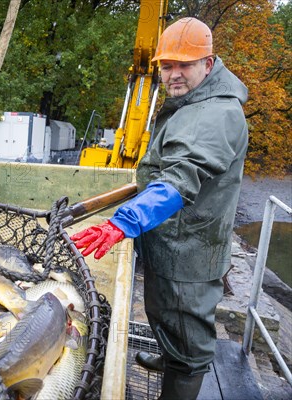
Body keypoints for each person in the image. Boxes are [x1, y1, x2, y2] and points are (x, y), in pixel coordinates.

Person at [71, 18, 248, 399]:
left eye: (185, 64)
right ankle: (168, 358)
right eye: (167, 66)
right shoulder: (192, 101)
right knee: (165, 317)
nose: (174, 74)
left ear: (209, 62)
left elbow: (181, 177)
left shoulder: (217, 114)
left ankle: (178, 378)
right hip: (170, 237)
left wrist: (124, 222)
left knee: (190, 339)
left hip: (191, 251)